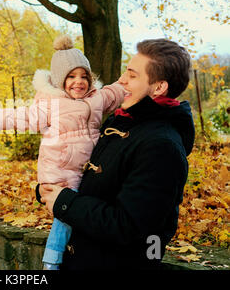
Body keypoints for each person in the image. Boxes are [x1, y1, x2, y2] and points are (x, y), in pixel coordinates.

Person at [38, 38, 195, 270]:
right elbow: (92, 179)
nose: (121, 80)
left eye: (132, 75)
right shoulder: (121, 122)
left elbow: (128, 226)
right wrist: (50, 187)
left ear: (159, 87)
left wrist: (64, 203)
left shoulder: (162, 147)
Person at [0, 35, 125, 270]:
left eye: (84, 76)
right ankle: (51, 262)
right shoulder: (50, 103)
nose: (79, 82)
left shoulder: (97, 98)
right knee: (65, 216)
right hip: (60, 170)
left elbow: (117, 92)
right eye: (71, 77)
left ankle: (81, 254)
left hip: (87, 169)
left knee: (87, 210)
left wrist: (134, 80)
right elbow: (21, 116)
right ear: (59, 81)